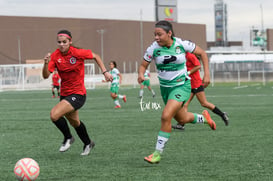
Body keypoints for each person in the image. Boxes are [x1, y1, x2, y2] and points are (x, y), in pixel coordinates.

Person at [138, 20, 216, 164]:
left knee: (166, 116)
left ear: (169, 33)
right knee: (182, 119)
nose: (156, 37)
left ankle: (157, 154)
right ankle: (204, 118)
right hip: (165, 89)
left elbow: (203, 54)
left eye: (159, 34)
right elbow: (143, 65)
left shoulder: (181, 44)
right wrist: (141, 74)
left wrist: (207, 74)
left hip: (182, 86)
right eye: (155, 34)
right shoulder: (153, 48)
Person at [42, 30, 113, 156]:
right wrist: (46, 63)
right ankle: (88, 143)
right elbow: (46, 75)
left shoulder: (77, 53)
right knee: (75, 123)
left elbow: (96, 56)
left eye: (64, 42)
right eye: (59, 42)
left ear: (70, 42)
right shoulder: (55, 56)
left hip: (78, 94)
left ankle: (68, 138)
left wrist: (105, 72)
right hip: (64, 94)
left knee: (54, 115)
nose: (62, 44)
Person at [172, 52, 229, 130]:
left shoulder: (190, 55)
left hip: (196, 84)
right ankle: (181, 124)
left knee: (204, 103)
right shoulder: (183, 56)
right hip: (190, 84)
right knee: (185, 104)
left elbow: (198, 66)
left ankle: (222, 114)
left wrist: (188, 73)